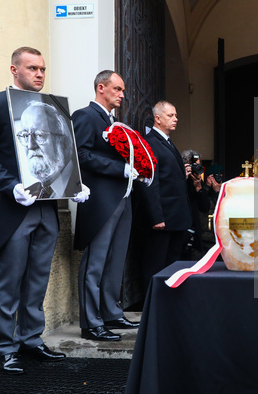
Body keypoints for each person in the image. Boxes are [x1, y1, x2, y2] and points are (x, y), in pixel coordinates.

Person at [0, 46, 88, 374]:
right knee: (9, 280)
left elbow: (61, 150)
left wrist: (74, 184)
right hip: (15, 208)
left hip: (48, 208)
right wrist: (10, 186)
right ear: (14, 70)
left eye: (42, 69)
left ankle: (32, 340)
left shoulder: (51, 107)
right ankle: (5, 347)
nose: (39, 74)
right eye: (32, 68)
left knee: (38, 279)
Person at [73, 70, 140, 342]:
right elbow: (80, 154)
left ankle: (111, 312)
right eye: (117, 89)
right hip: (101, 200)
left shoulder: (115, 122)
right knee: (95, 262)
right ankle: (91, 322)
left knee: (115, 260)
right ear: (101, 88)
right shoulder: (85, 116)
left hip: (122, 197)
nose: (122, 95)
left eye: (122, 90)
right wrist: (120, 168)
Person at [133, 101, 192, 297]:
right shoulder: (150, 142)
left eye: (175, 115)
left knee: (171, 264)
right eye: (170, 115)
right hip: (162, 218)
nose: (175, 119)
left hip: (175, 217)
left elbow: (166, 175)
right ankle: (151, 306)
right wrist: (156, 217)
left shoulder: (166, 140)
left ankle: (167, 304)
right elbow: (150, 182)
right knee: (155, 265)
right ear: (157, 118)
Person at [17, 101, 82, 198]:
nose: (30, 145)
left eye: (39, 135)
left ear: (64, 143)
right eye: (25, 135)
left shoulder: (82, 185)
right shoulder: (28, 193)